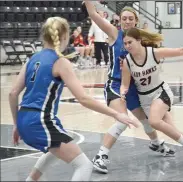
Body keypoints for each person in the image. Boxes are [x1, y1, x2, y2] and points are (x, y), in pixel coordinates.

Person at [8, 17, 139, 181]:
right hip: (40, 120)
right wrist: (116, 114)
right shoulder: (60, 62)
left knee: (56, 147)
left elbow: (13, 93)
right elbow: (84, 99)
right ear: (64, 36)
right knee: (84, 165)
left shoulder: (32, 58)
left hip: (24, 119)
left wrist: (16, 124)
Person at [84, 1, 175, 174]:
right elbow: (94, 15)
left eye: (130, 19)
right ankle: (101, 156)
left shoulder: (141, 40)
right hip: (116, 84)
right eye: (124, 18)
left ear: (135, 22)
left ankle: (156, 144)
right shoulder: (114, 33)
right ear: (120, 21)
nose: (127, 21)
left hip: (134, 87)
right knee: (122, 120)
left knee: (147, 120)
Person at [120, 27, 183, 167]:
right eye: (125, 43)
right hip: (145, 100)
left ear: (139, 41)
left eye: (130, 42)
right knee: (175, 132)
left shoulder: (154, 53)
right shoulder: (127, 62)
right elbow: (124, 84)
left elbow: (180, 50)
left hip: (161, 92)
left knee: (153, 121)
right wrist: (123, 92)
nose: (127, 46)